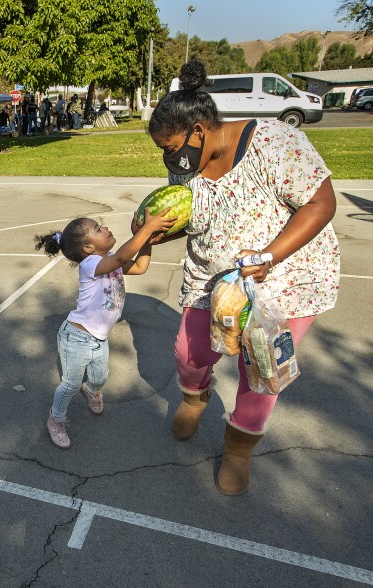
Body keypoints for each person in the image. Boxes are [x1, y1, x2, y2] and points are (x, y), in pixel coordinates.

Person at [148, 60, 340, 495]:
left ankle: (239, 446)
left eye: (173, 146)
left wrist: (270, 255)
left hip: (282, 281)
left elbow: (320, 204)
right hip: (208, 279)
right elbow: (188, 215)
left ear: (199, 130)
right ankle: (194, 397)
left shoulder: (276, 142)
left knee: (261, 367)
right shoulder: (186, 166)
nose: (170, 159)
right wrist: (153, 232)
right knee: (189, 352)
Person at [34, 210, 176, 449]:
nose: (106, 229)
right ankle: (55, 419)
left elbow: (140, 266)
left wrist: (147, 243)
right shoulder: (91, 264)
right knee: (70, 384)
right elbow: (120, 259)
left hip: (98, 338)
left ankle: (92, 390)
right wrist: (146, 229)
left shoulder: (110, 258)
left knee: (100, 378)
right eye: (98, 229)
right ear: (88, 248)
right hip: (76, 337)